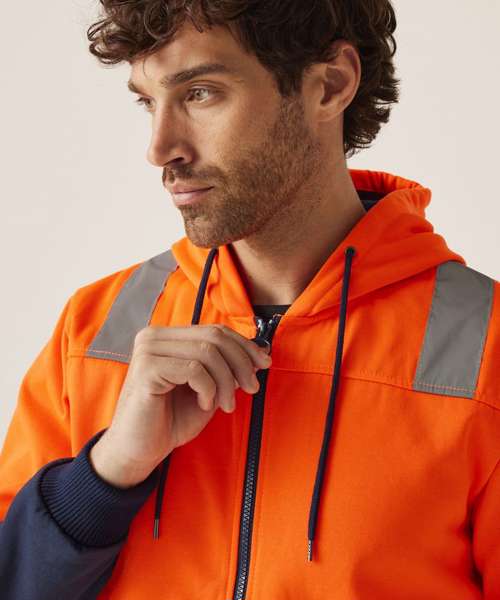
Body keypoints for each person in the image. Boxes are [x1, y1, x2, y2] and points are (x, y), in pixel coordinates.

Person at [0, 0, 499, 598]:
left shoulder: (487, 348)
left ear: (329, 85)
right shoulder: (95, 328)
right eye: (148, 102)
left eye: (200, 93)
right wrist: (106, 474)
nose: (160, 148)